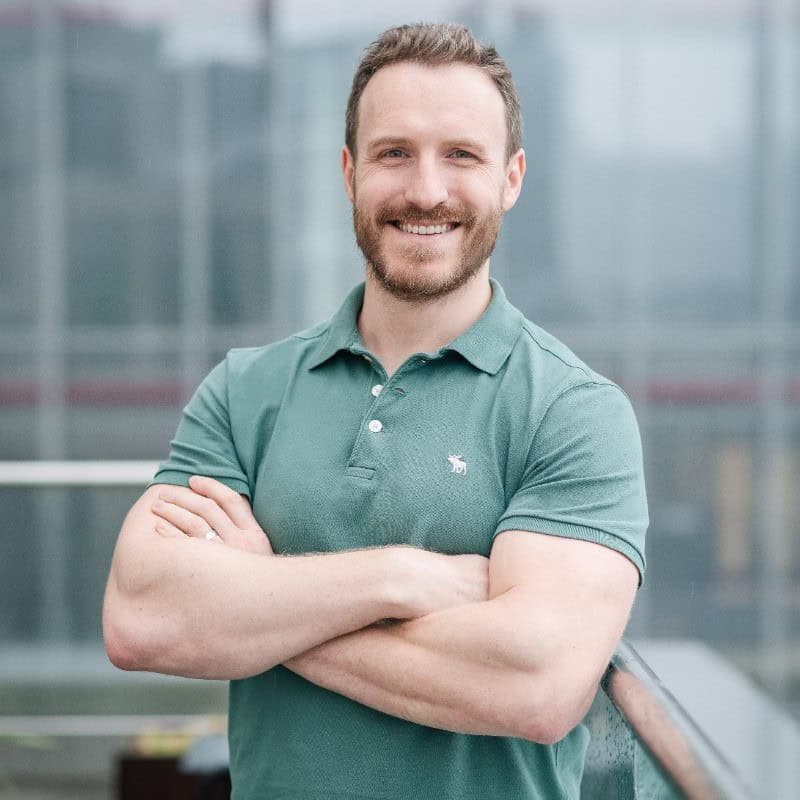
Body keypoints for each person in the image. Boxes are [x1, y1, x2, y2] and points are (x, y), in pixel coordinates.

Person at [103, 21, 648, 800]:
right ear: (350, 172)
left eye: (461, 154)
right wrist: (398, 578)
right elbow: (142, 618)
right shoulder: (246, 389)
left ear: (512, 177)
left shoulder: (574, 411)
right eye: (395, 153)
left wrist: (257, 603)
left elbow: (538, 686)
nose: (426, 190)